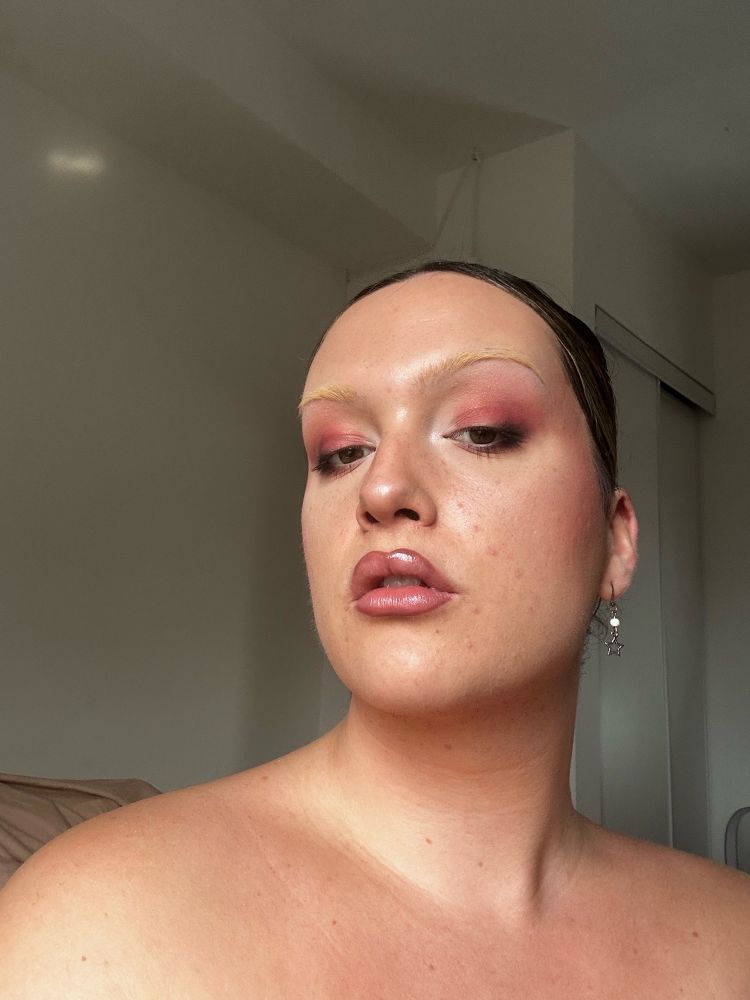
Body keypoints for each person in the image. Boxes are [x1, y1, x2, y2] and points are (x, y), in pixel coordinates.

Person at [1, 261, 748, 998]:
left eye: (481, 431)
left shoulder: (731, 944)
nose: (381, 487)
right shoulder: (96, 926)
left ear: (616, 543)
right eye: (341, 453)